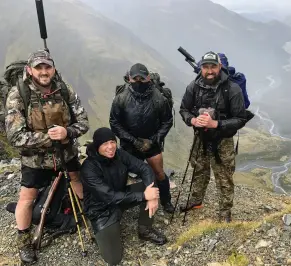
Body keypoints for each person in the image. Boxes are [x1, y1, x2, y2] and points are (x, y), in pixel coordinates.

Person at [5, 50, 89, 263]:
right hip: (35, 160)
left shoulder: (65, 90)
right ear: (29, 70)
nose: (44, 72)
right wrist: (49, 138)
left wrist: (67, 132)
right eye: (39, 67)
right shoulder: (18, 95)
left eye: (47, 67)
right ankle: (23, 241)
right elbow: (15, 136)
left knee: (76, 179)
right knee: (27, 197)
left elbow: (83, 122)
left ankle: (88, 214)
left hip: (66, 153)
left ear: (53, 68)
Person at [80, 127, 167, 265]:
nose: (110, 147)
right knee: (114, 259)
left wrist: (152, 195)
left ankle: (144, 229)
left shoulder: (120, 154)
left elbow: (144, 168)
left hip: (121, 196)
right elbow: (109, 196)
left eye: (112, 142)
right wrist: (144, 196)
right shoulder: (88, 168)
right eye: (105, 144)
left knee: (149, 186)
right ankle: (103, 231)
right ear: (97, 147)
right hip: (101, 210)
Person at [179, 51, 247, 222]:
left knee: (224, 176)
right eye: (206, 67)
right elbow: (183, 109)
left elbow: (240, 118)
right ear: (201, 68)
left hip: (223, 140)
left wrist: (216, 124)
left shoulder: (232, 89)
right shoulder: (193, 86)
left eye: (213, 66)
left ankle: (225, 212)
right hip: (200, 138)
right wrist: (193, 120)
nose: (210, 71)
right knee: (199, 170)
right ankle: (196, 201)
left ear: (220, 67)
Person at [109, 63, 174, 213]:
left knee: (159, 173)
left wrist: (154, 140)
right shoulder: (122, 98)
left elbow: (167, 121)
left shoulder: (159, 98)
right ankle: (120, 204)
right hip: (130, 144)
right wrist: (134, 141)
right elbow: (114, 122)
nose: (139, 82)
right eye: (135, 79)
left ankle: (166, 200)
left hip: (152, 143)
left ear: (148, 78)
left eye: (142, 78)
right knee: (121, 174)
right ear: (129, 79)